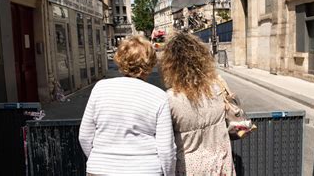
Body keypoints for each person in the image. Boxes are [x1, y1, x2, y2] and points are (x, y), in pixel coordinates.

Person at [79, 36, 176, 176]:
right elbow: (166, 148)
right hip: (145, 169)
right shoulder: (158, 96)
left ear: (120, 59)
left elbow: (84, 136)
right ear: (150, 63)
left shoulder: (100, 88)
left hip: (101, 168)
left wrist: (100, 159)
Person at [160, 32, 235, 175]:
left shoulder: (170, 99)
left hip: (190, 169)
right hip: (221, 165)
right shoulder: (217, 88)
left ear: (170, 64)